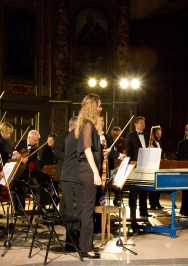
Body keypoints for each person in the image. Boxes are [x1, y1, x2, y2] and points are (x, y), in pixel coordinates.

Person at [75, 93, 103, 259]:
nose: (100, 108)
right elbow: (86, 150)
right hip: (88, 171)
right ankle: (86, 248)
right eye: (98, 105)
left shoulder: (88, 125)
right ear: (92, 106)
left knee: (88, 210)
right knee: (88, 211)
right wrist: (95, 172)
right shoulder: (88, 125)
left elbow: (90, 149)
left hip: (87, 169)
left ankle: (86, 245)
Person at [126, 116, 151, 231]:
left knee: (144, 188)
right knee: (134, 190)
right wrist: (133, 163)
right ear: (136, 124)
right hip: (135, 166)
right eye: (141, 123)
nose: (143, 125)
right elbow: (128, 151)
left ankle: (144, 211)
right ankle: (132, 214)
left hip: (146, 165)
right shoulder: (130, 136)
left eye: (144, 123)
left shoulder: (147, 136)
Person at [148, 125, 165, 210]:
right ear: (153, 134)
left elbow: (162, 153)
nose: (159, 136)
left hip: (159, 166)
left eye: (160, 134)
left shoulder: (160, 142)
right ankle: (152, 203)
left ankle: (157, 202)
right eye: (157, 134)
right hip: (152, 166)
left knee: (159, 185)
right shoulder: (150, 143)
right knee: (153, 186)